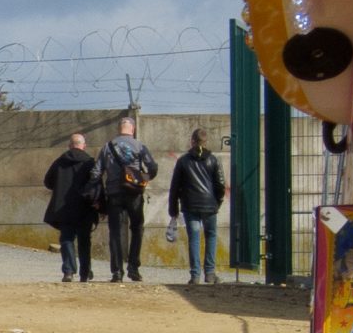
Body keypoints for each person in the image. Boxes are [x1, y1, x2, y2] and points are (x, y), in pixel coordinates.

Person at [95, 115, 158, 285]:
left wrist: (97, 193)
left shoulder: (107, 147)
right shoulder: (140, 146)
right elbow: (152, 167)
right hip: (134, 193)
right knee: (137, 228)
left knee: (115, 232)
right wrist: (144, 178)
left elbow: (96, 172)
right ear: (133, 129)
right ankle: (133, 268)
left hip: (114, 194)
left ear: (118, 129)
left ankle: (117, 272)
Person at [169, 127, 228, 284]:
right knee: (211, 237)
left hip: (190, 206)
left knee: (194, 238)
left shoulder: (183, 161)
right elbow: (221, 185)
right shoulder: (213, 160)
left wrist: (173, 209)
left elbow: (175, 187)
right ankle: (209, 273)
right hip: (210, 206)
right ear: (205, 142)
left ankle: (195, 275)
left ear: (192, 141)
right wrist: (217, 201)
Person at [43, 130, 97, 284]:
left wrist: (60, 188)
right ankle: (85, 273)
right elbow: (95, 183)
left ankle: (68, 271)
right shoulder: (89, 162)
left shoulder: (60, 162)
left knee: (66, 239)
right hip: (84, 207)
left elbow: (47, 181)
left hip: (64, 207)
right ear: (84, 146)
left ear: (69, 146)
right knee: (84, 240)